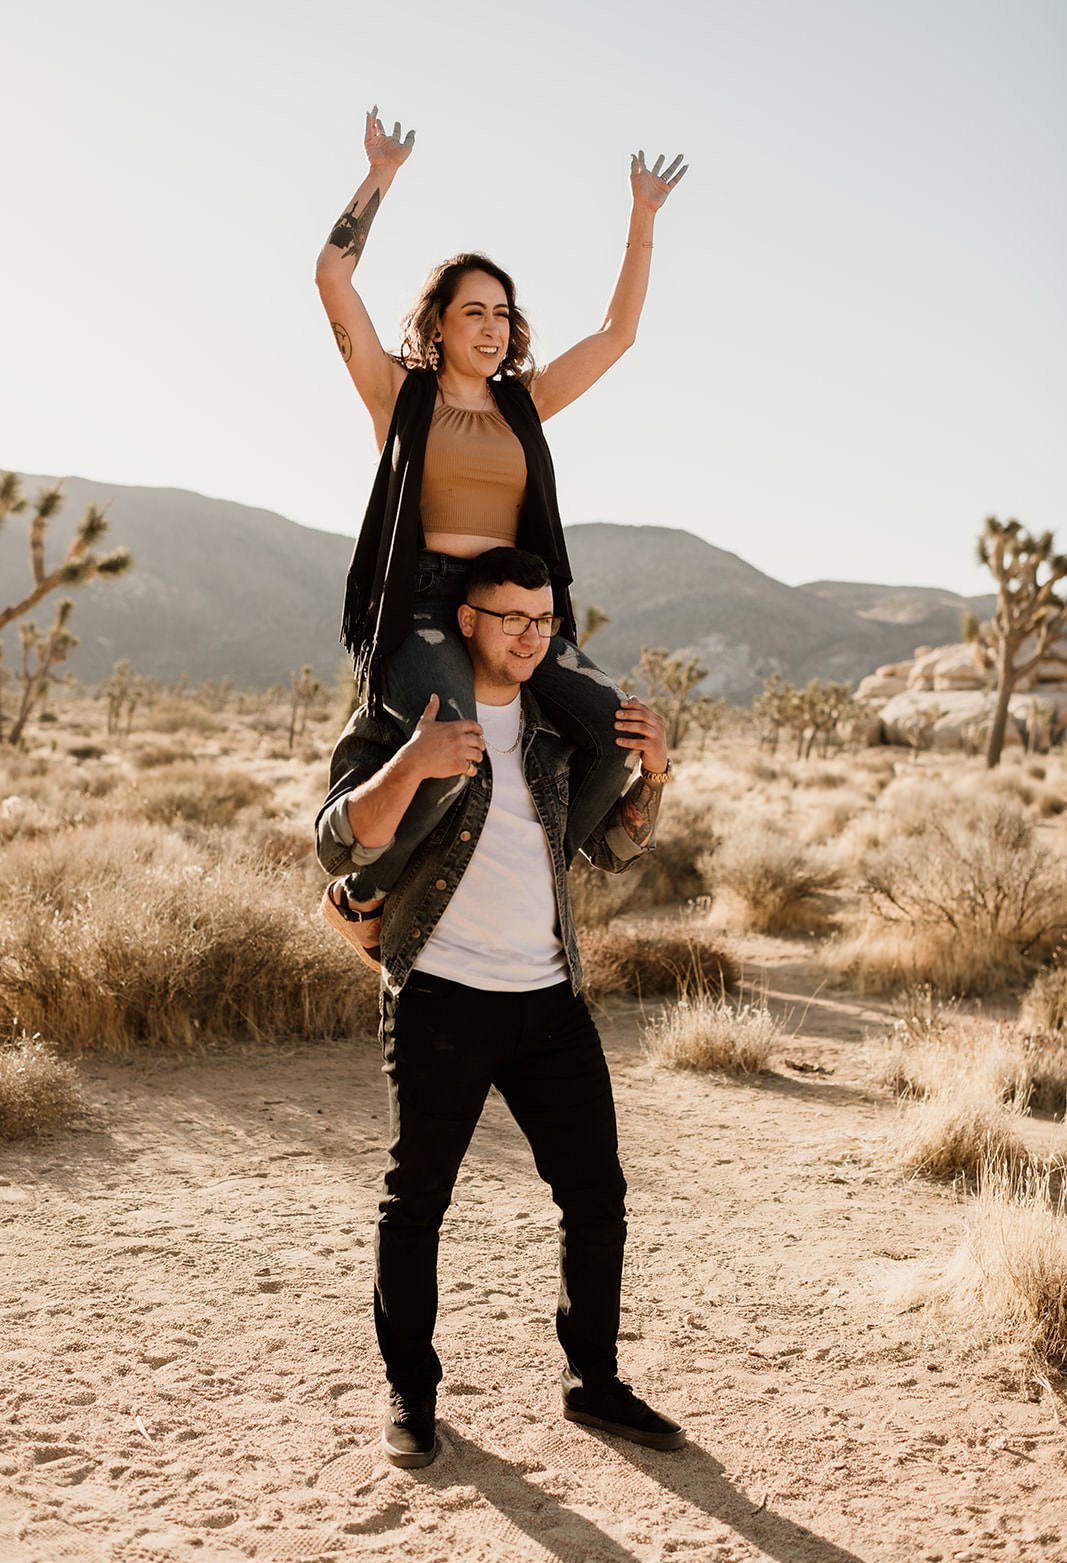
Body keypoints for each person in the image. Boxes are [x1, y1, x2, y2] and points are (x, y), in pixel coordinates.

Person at [315, 546, 684, 1467]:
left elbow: (611, 850)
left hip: (550, 1000)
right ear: (467, 621)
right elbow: (334, 841)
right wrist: (411, 761)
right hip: (444, 996)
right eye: (509, 617)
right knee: (417, 1203)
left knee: (596, 1197)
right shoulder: (404, 716)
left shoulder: (557, 733)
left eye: (542, 621)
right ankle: (410, 1395)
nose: (527, 636)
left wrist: (656, 775)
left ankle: (591, 1383)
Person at [314, 106, 686, 968]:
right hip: (424, 607)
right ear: (437, 321)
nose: (490, 326)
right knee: (448, 755)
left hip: (516, 610)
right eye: (472, 310)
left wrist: (642, 217)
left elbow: (618, 335)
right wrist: (380, 176)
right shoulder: (396, 395)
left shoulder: (527, 403)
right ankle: (360, 894)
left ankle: (537, 869)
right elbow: (333, 277)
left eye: (502, 314)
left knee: (617, 733)